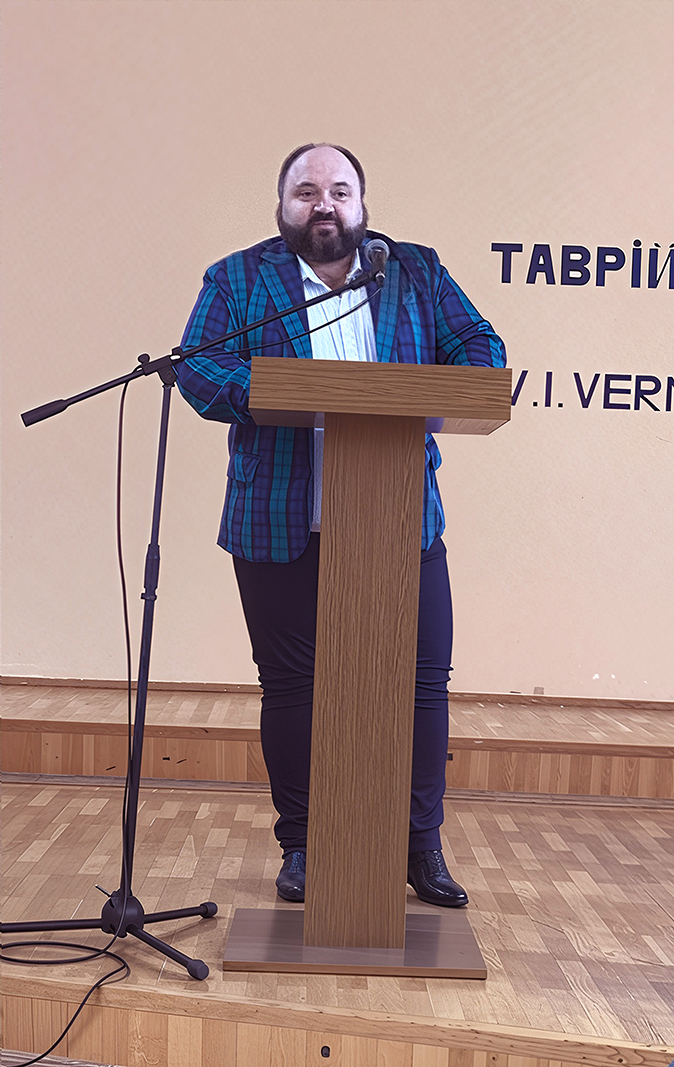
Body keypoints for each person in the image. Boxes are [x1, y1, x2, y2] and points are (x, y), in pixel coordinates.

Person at [176, 143, 505, 907]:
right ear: (282, 204)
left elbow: (480, 349)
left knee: (421, 686)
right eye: (306, 191)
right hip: (276, 518)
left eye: (339, 190)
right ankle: (303, 844)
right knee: (293, 687)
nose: (323, 203)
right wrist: (285, 390)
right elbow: (198, 366)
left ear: (361, 202)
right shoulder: (238, 278)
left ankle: (420, 845)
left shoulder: (415, 271)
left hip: (398, 518)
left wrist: (438, 387)